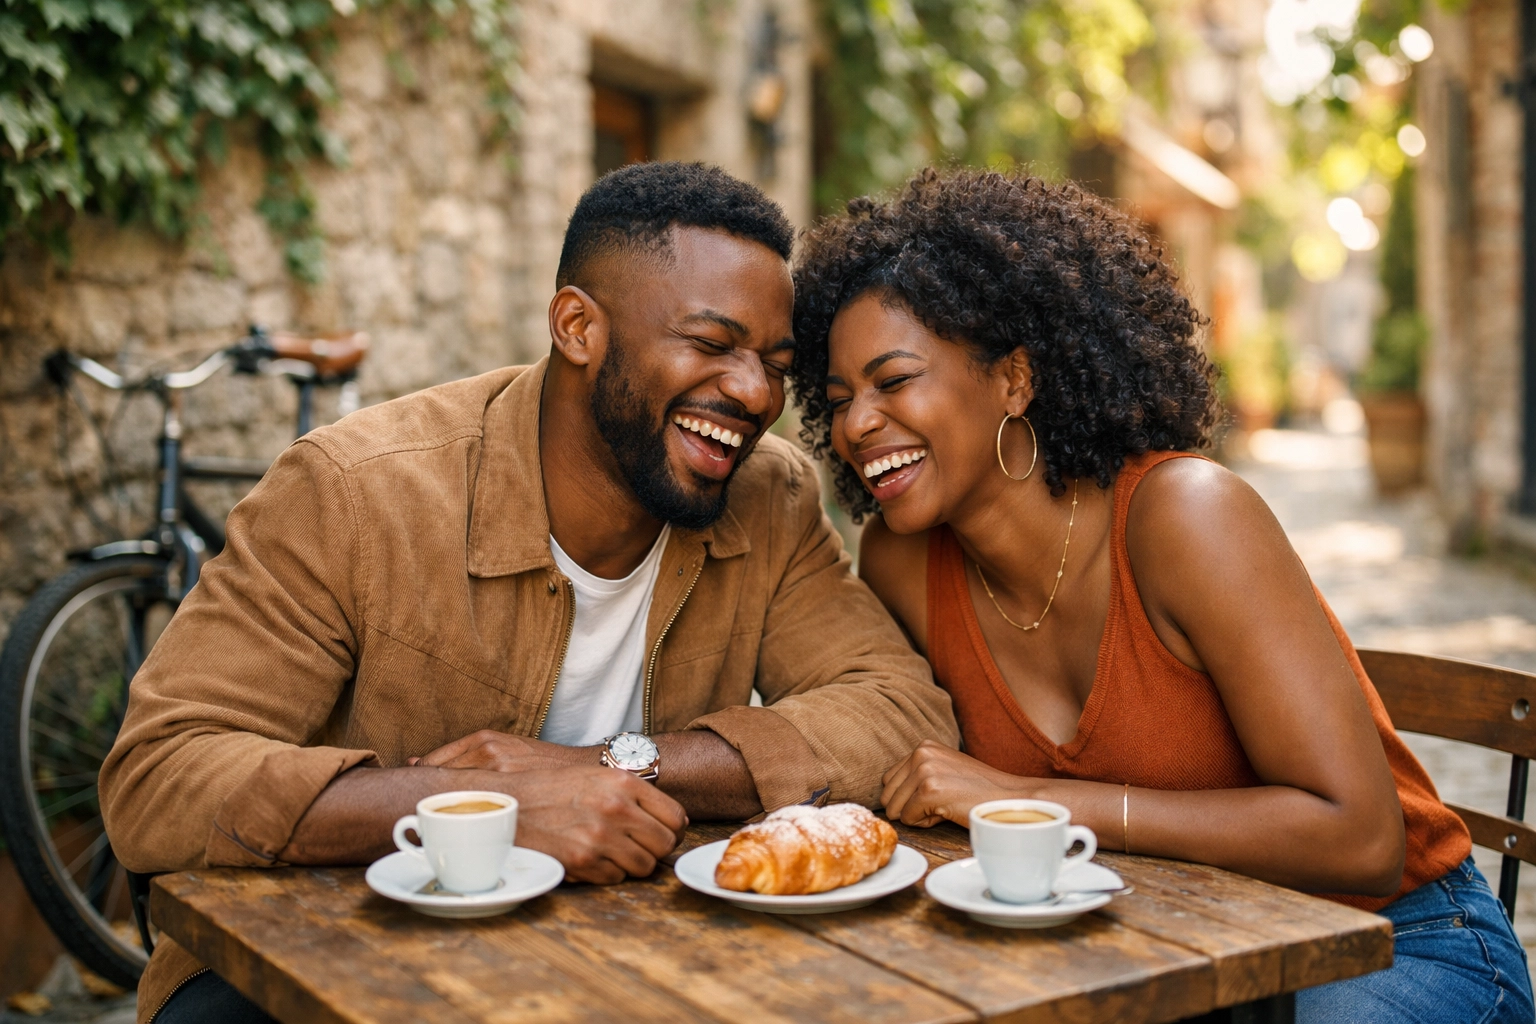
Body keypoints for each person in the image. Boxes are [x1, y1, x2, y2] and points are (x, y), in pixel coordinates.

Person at [100, 162, 958, 1023]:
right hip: (326, 962)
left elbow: (899, 714)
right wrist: (483, 807)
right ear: (578, 327)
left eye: (775, 363)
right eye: (710, 344)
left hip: (618, 966)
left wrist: (618, 768)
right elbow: (158, 774)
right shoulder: (356, 491)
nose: (754, 393)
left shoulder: (767, 497)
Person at [786, 168, 1533, 1024]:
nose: (856, 424)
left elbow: (1363, 842)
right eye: (839, 400)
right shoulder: (902, 563)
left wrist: (1035, 802)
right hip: (1160, 952)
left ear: (1015, 380)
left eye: (893, 380)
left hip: (1392, 940)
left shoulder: (1186, 518)